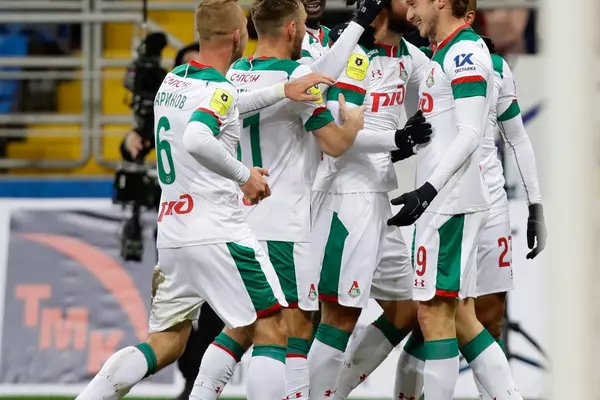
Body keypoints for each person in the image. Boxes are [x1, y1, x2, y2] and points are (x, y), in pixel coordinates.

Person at [76, 0, 338, 398]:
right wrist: (244, 176)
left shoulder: (174, 82)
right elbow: (198, 137)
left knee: (165, 344)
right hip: (216, 231)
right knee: (274, 328)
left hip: (173, 235)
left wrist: (282, 91)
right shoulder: (218, 89)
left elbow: (227, 104)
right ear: (237, 36)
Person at [190, 0, 383, 398]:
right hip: (284, 223)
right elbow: (333, 144)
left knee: (242, 326)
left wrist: (358, 23)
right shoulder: (294, 76)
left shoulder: (236, 73)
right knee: (294, 328)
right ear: (293, 29)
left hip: (241, 222)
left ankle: (201, 393)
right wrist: (352, 124)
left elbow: (321, 69)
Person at [394, 1, 546, 399]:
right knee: (449, 315)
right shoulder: (442, 55)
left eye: (416, 3)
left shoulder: (464, 54)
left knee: (445, 314)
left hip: (453, 200)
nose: (411, 12)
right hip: (451, 198)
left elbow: (477, 135)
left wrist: (535, 205)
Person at [306, 0, 433, 398]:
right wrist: (397, 139)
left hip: (380, 196)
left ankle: (338, 389)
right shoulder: (352, 51)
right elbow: (338, 132)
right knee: (340, 316)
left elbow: (437, 100)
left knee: (407, 311)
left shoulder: (410, 57)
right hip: (346, 194)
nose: (414, 6)